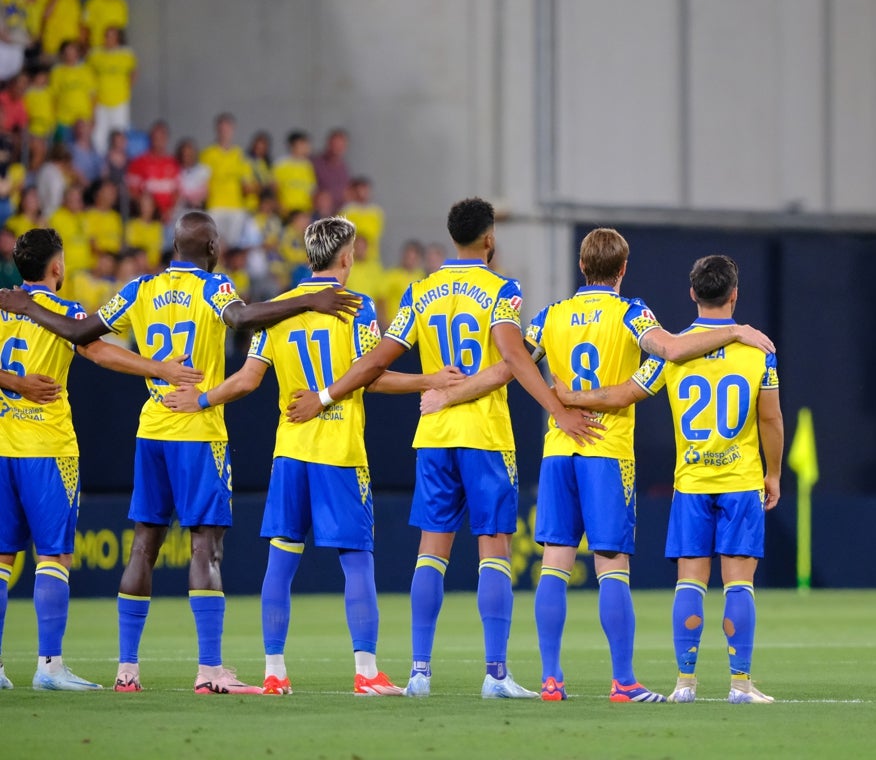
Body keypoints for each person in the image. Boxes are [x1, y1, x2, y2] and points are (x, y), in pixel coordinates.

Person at [0, 210, 360, 694]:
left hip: (151, 430)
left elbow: (83, 336)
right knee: (205, 547)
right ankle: (210, 670)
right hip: (198, 431)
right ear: (212, 249)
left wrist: (25, 308)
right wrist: (308, 301)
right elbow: (243, 319)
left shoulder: (139, 289)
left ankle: (127, 671)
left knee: (143, 544)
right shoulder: (215, 289)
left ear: (173, 245)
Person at [422, 230, 775, 703]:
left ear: (582, 265)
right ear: (623, 269)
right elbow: (668, 351)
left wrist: (450, 393)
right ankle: (624, 681)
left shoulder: (551, 316)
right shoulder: (632, 312)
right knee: (611, 566)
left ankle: (551, 680)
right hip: (606, 453)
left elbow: (509, 367)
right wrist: (734, 330)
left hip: (558, 451)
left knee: (554, 564)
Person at [286, 197, 604, 699]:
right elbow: (513, 354)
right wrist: (555, 409)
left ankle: (418, 673)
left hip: (433, 437)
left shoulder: (421, 290)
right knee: (493, 550)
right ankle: (496, 676)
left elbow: (373, 363)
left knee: (431, 552)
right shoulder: (501, 289)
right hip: (484, 436)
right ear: (489, 238)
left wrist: (326, 394)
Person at [164, 217, 463, 695]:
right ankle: (366, 671)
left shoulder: (277, 308)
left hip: (290, 452)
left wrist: (200, 399)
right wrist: (429, 380)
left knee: (280, 562)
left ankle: (274, 671)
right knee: (357, 560)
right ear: (345, 257)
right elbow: (373, 375)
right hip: (340, 452)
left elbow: (246, 380)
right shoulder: (356, 307)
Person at [551, 255, 784, 704]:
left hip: (691, 483)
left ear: (692, 294)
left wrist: (570, 398)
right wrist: (772, 474)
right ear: (734, 295)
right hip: (739, 480)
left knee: (690, 583)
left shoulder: (671, 349)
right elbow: (770, 419)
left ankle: (684, 683)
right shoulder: (757, 350)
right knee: (739, 584)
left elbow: (623, 395)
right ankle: (740, 684)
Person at [0, 227, 200, 692]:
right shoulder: (66, 312)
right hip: (47, 450)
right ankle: (49, 666)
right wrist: (161, 368)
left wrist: (10, 382)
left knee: (3, 557)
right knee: (55, 554)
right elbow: (100, 352)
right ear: (56, 267)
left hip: (3, 448)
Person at [199, 113, 253, 247]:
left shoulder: (239, 155)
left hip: (236, 207)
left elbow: (247, 182)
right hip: (215, 206)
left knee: (233, 246)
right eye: (222, 129)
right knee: (214, 245)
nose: (224, 133)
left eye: (227, 129)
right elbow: (202, 182)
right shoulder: (207, 154)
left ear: (233, 130)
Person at [87, 27, 136, 153]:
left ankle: (118, 161)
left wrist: (126, 89)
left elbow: (133, 72)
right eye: (106, 36)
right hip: (100, 101)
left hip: (119, 101)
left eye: (111, 36)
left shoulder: (126, 54)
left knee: (119, 133)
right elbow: (89, 77)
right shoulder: (95, 54)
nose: (108, 39)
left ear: (118, 38)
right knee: (99, 135)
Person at [126, 121, 180, 218]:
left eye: (162, 137)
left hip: (168, 217)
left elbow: (177, 191)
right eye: (156, 137)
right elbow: (131, 190)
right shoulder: (138, 162)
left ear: (167, 138)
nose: (158, 141)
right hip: (147, 219)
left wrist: (170, 211)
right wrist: (147, 210)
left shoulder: (173, 163)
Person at [272, 130, 315, 216]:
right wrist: (278, 206)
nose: (306, 147)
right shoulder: (281, 164)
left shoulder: (308, 166)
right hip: (286, 212)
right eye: (302, 144)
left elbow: (311, 191)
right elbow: (273, 187)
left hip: (303, 213)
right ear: (293, 145)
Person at [342, 176, 383, 261]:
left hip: (371, 257)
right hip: (352, 258)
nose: (363, 193)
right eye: (360, 190)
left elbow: (376, 235)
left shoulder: (376, 212)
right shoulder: (347, 211)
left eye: (366, 190)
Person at [311, 128, 350, 206]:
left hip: (339, 211)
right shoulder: (315, 163)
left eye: (341, 145)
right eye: (335, 144)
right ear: (328, 144)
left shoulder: (344, 167)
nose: (338, 148)